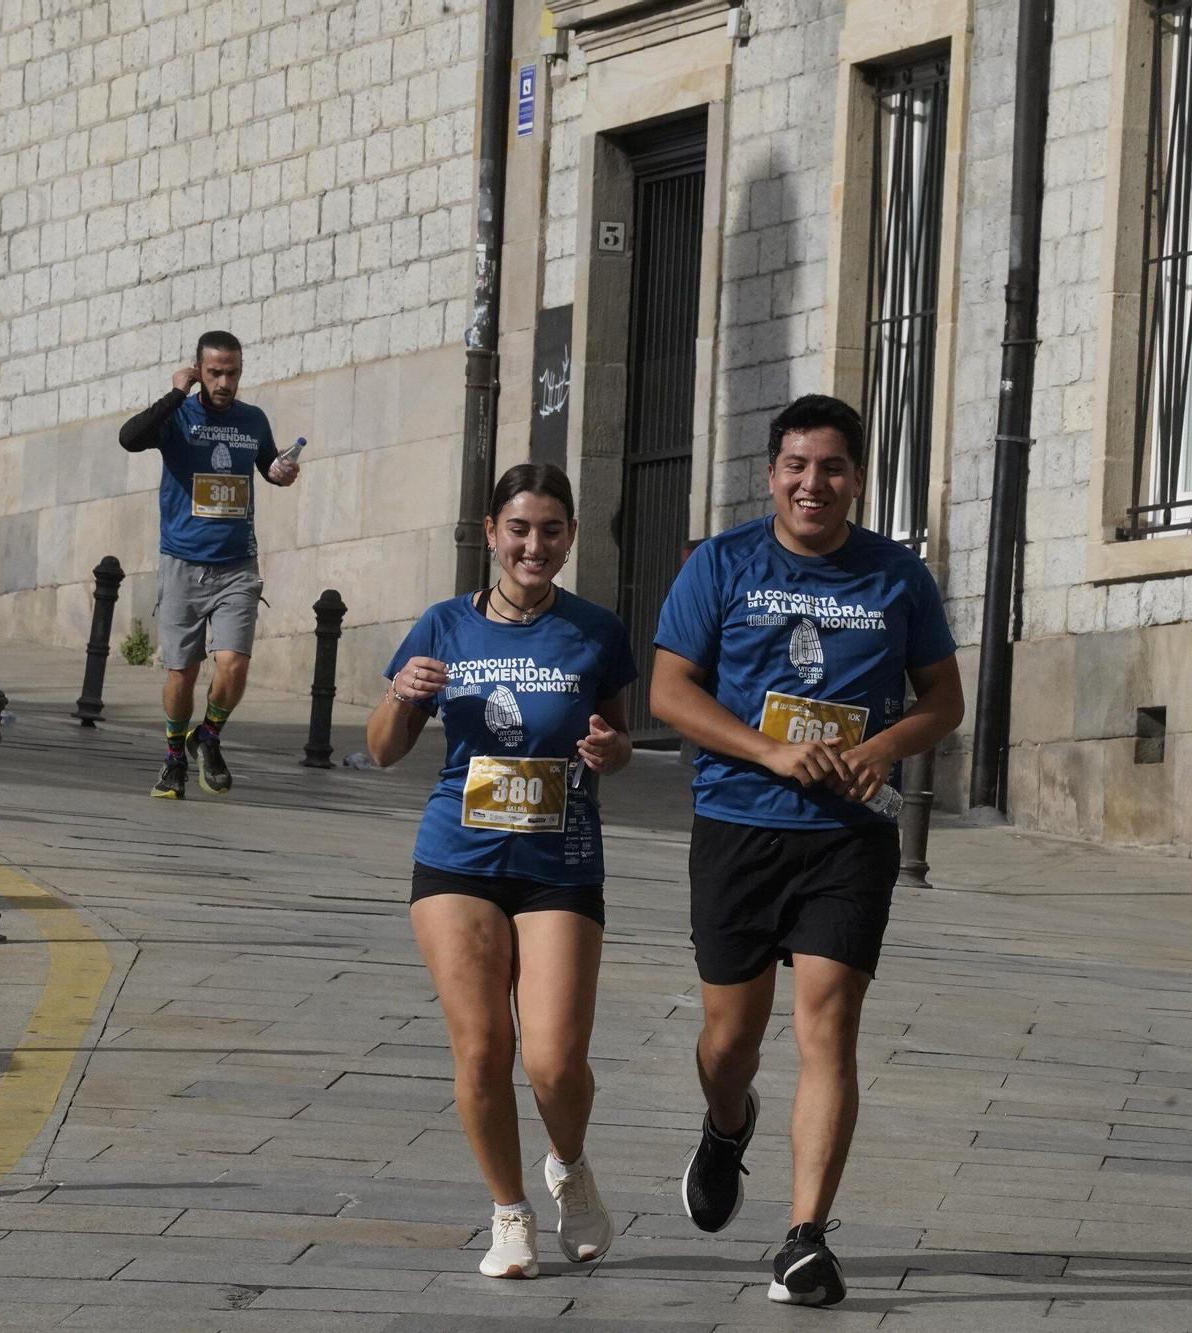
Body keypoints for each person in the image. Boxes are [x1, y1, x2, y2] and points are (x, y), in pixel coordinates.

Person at [649, 394, 964, 1307]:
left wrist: (878, 751)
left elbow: (943, 701)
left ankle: (804, 1237)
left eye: (831, 468)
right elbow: (671, 691)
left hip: (849, 837)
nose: (812, 483)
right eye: (796, 466)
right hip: (740, 824)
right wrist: (769, 749)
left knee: (829, 1023)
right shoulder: (724, 563)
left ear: (858, 478)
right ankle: (724, 1124)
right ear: (772, 473)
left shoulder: (897, 577)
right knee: (729, 1040)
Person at [367, 463, 637, 1280]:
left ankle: (570, 1163)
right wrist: (403, 695)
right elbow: (382, 749)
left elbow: (619, 743)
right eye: (518, 528)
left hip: (560, 862)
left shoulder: (594, 631)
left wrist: (611, 751)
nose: (534, 545)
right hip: (458, 859)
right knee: (484, 1048)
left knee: (554, 1060)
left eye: (551, 530)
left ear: (570, 538)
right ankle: (509, 1211)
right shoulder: (443, 625)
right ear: (490, 533)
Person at [118, 331, 298, 800]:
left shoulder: (252, 420)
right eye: (215, 372)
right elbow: (129, 439)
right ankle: (175, 755)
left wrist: (279, 472)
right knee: (183, 671)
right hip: (182, 563)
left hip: (237, 564)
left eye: (232, 372)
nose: (224, 382)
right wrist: (177, 392)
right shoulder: (178, 415)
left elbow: (267, 465)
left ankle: (210, 735)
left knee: (233, 663)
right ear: (198, 370)